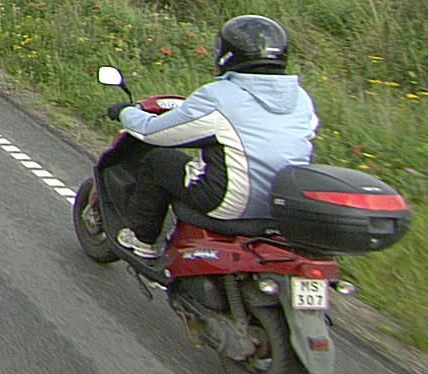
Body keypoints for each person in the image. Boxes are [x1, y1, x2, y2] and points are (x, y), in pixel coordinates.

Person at [106, 14, 319, 259]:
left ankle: (142, 240)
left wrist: (125, 112)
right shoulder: (302, 99)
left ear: (228, 53)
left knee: (159, 161)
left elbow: (152, 132)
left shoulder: (219, 96)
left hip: (229, 204)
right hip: (279, 206)